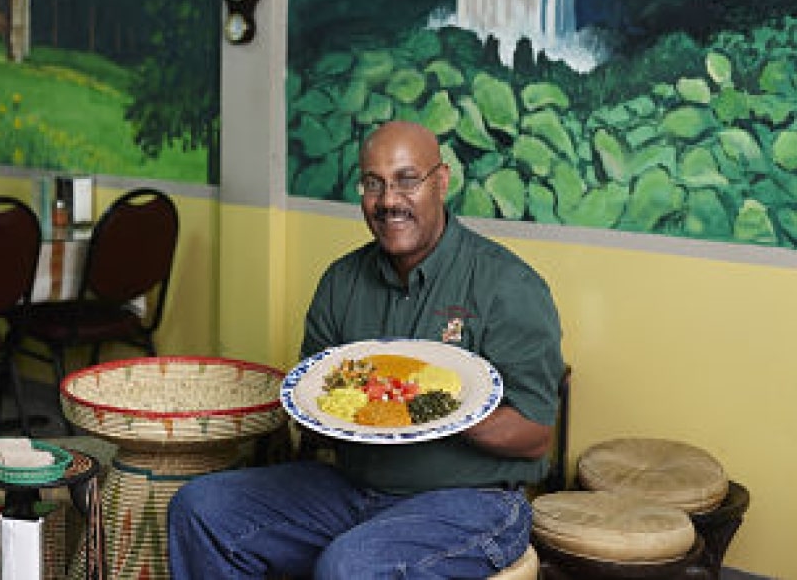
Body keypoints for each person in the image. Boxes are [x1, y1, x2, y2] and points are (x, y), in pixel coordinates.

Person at [167, 120, 565, 579]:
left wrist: (438, 410)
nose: (389, 200)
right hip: (350, 488)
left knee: (349, 566)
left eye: (407, 180)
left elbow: (536, 433)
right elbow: (315, 405)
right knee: (200, 509)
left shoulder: (507, 285)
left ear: (442, 181)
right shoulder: (341, 282)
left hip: (472, 501)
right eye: (373, 184)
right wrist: (328, 411)